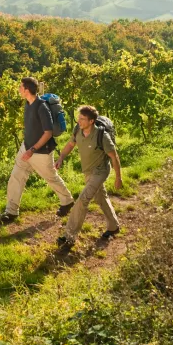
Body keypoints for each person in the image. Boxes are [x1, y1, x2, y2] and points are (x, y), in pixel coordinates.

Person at [0, 77, 74, 222]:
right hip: (26, 147)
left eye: (20, 87)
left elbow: (48, 133)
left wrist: (32, 149)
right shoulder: (28, 103)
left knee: (51, 177)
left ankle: (67, 201)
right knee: (16, 176)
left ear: (26, 90)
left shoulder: (42, 108)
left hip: (40, 152)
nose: (19, 89)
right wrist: (27, 147)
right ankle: (11, 211)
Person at [54, 105, 122, 248]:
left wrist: (118, 177)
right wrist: (61, 157)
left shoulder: (101, 136)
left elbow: (114, 157)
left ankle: (69, 236)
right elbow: (70, 144)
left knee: (82, 200)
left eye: (83, 119)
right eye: (79, 118)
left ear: (91, 121)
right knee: (101, 197)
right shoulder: (78, 129)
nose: (79, 121)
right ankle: (113, 226)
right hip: (88, 172)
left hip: (100, 171)